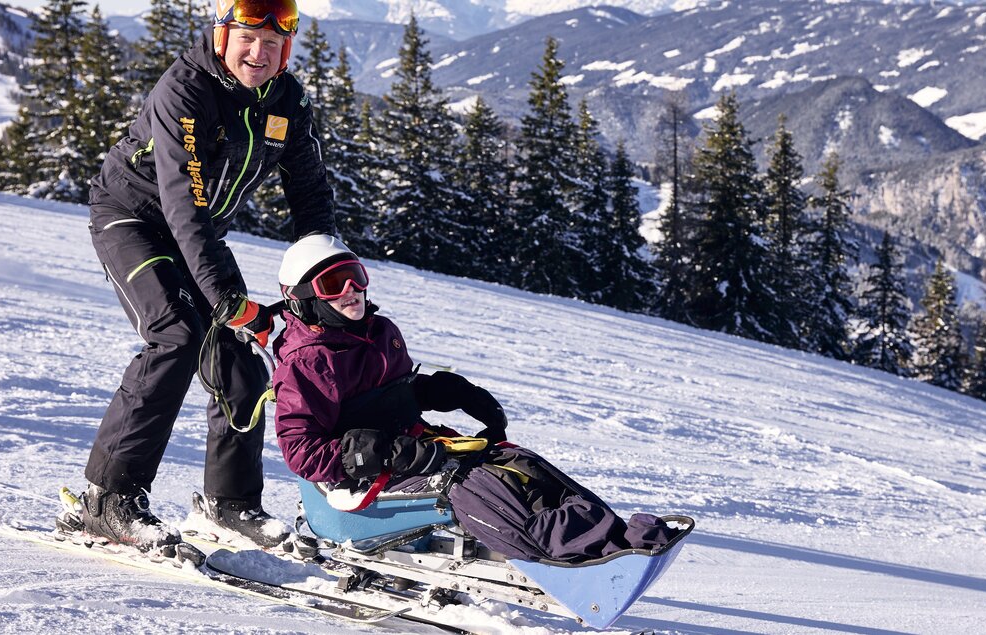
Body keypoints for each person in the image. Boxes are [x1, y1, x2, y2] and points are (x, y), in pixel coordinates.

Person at [79, 0, 336, 551]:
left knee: (240, 362)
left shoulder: (287, 100)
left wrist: (325, 277)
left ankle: (230, 503)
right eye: (248, 39)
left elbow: (310, 191)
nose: (259, 53)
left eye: (273, 44)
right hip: (134, 218)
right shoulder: (186, 90)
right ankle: (108, 499)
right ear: (222, 37)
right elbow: (185, 204)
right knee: (176, 336)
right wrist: (227, 299)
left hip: (199, 232)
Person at [271, 235, 679, 562]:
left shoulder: (380, 331)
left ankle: (614, 535)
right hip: (363, 475)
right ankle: (573, 556)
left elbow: (392, 390)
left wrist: (450, 392)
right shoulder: (306, 362)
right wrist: (390, 452)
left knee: (515, 460)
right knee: (474, 483)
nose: (352, 291)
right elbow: (301, 452)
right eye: (333, 285)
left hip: (415, 445)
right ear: (303, 298)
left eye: (356, 277)